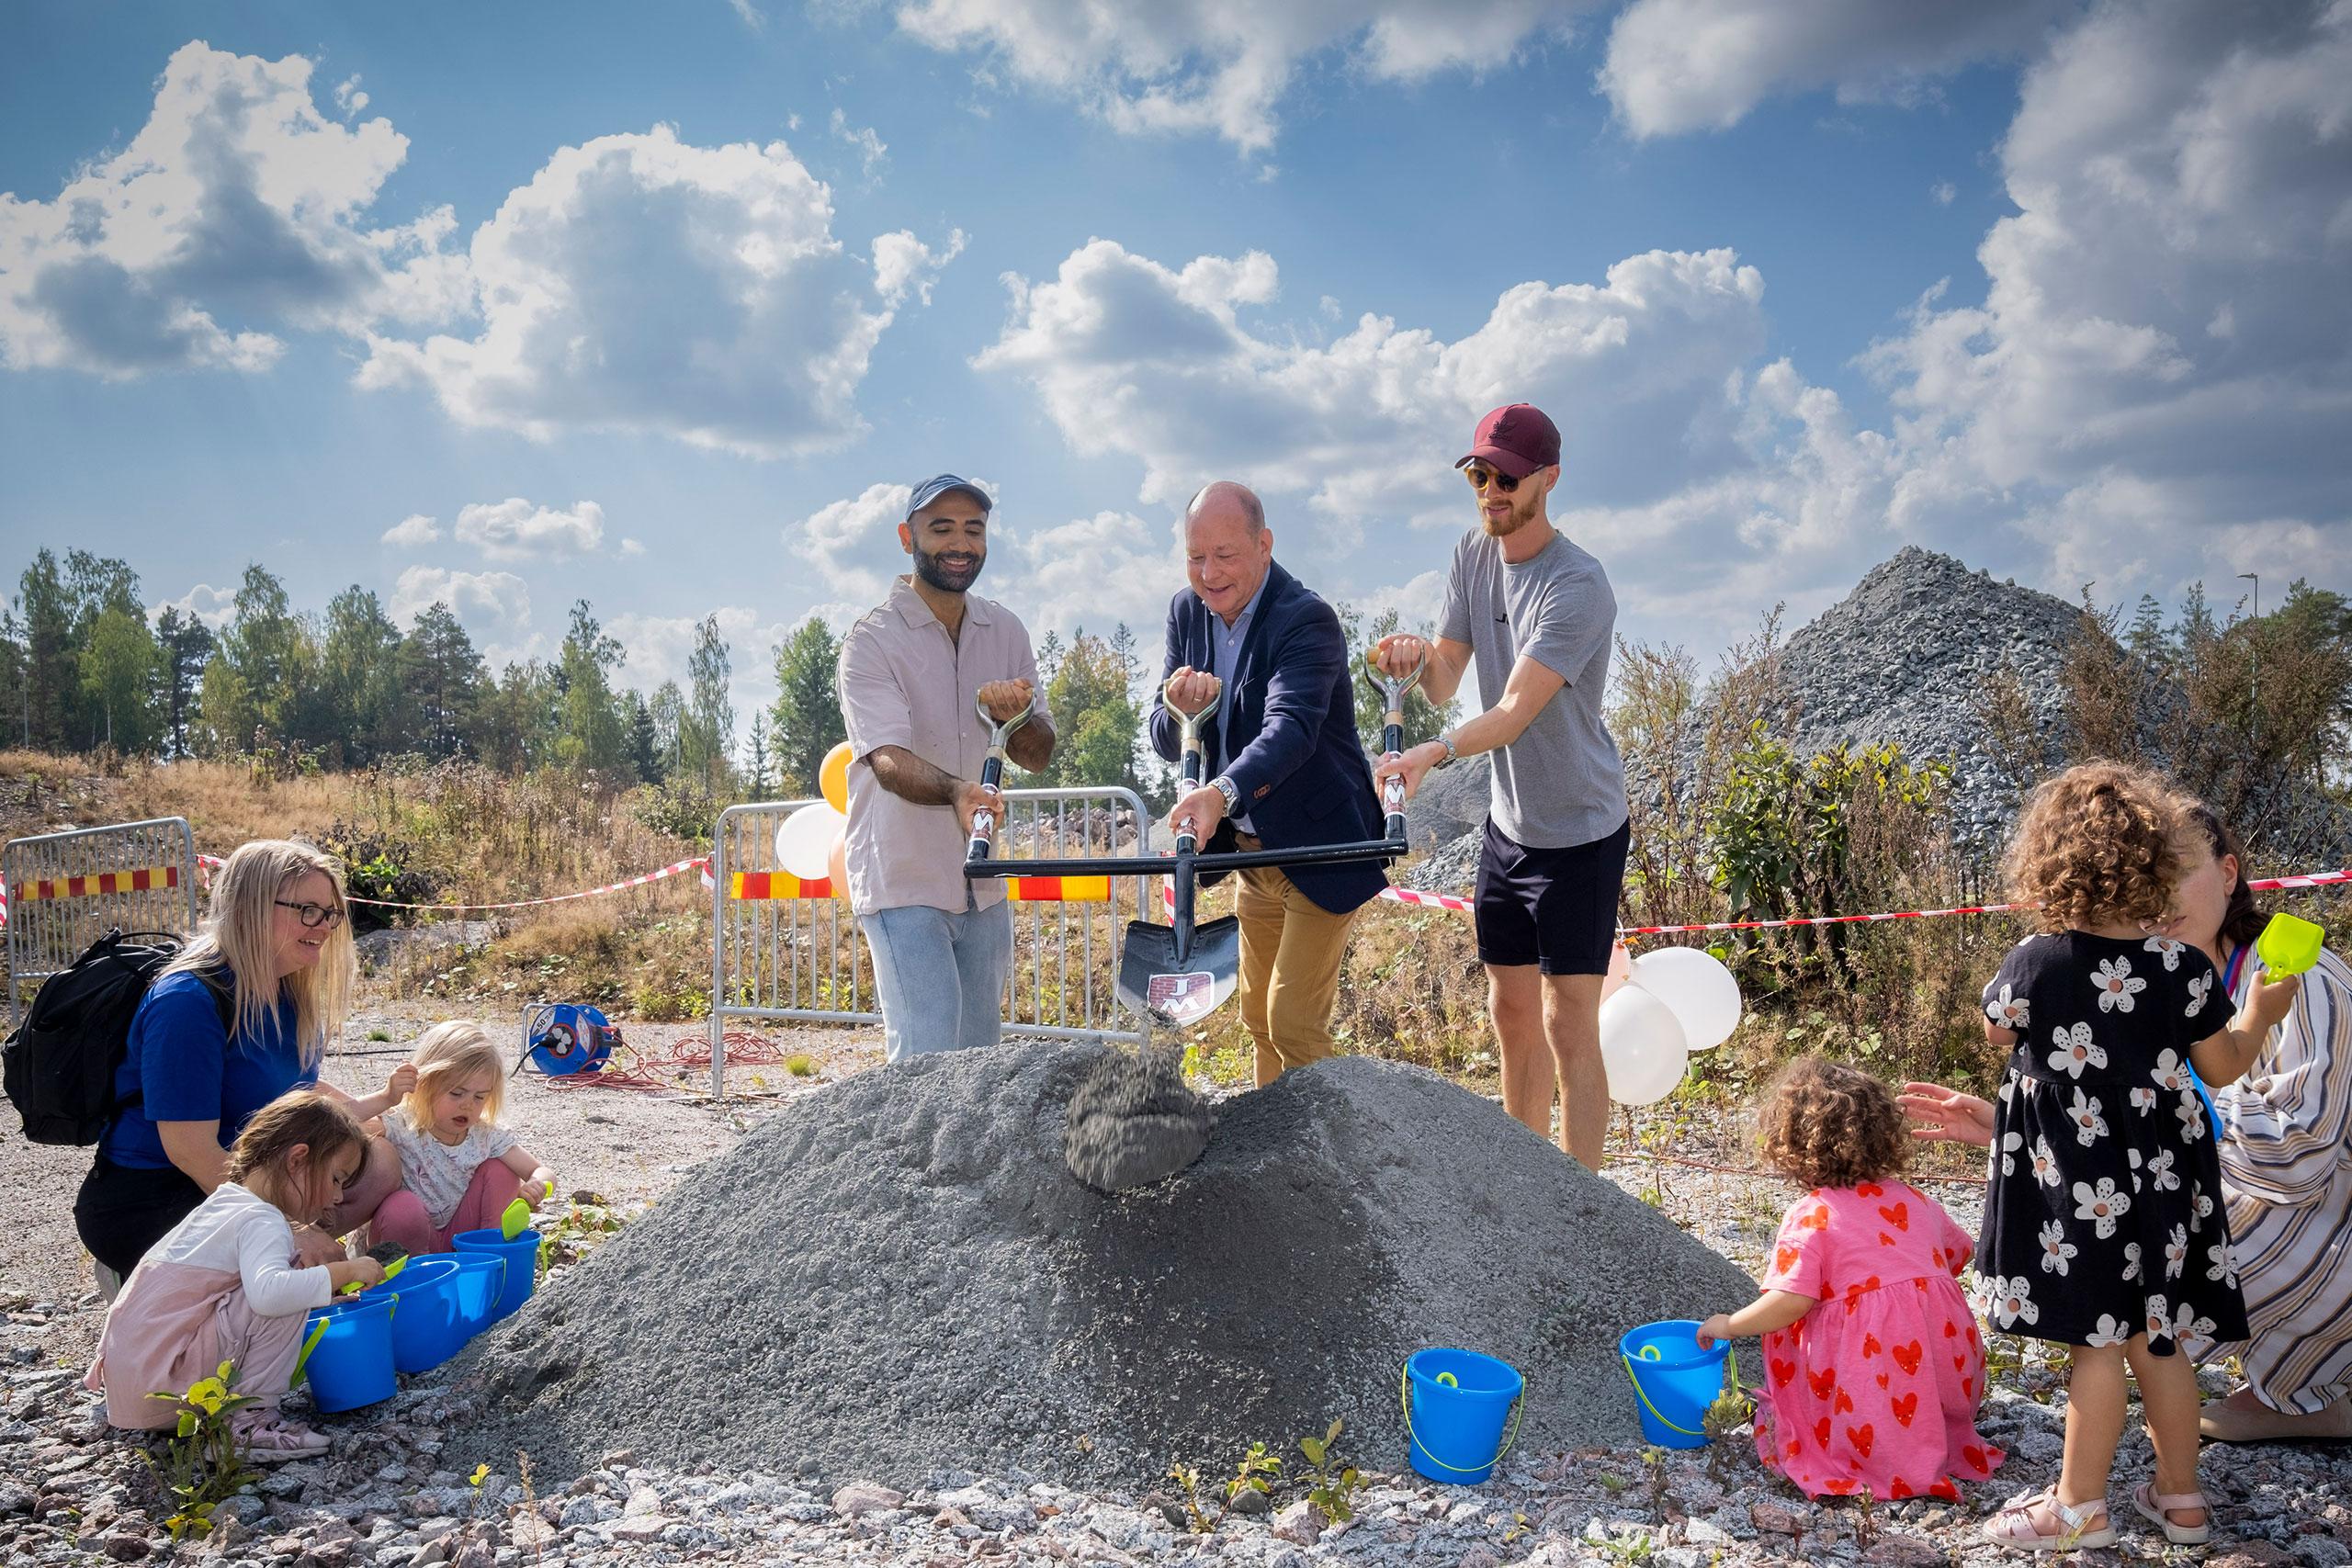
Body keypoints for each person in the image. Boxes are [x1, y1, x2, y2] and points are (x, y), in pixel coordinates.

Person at [1903, 801, 2352, 1447]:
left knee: (2131, 1298)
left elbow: (2299, 1156)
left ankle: (2086, 1495)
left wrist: (2150, 1114)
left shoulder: (2292, 978)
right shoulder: (2170, 974)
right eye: (2148, 872)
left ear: (2230, 874)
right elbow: (2135, 1102)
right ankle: (2287, 1409)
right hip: (2289, 1207)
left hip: (2326, 1218)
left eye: (2177, 869)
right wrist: (2018, 1125)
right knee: (2145, 1292)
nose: (2161, 893)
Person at [1964, 763, 2296, 1551]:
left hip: (2076, 1189)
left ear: (2050, 864)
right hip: (2163, 1185)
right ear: (2158, 864)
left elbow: (1998, 1031)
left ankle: (2078, 1507)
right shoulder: (2181, 968)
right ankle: (2182, 1500)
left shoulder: (2037, 960)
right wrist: (2258, 1009)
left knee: (2097, 1342)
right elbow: (2221, 1067)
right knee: (2163, 1334)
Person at [1372, 404, 1630, 1168]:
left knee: (1567, 1022)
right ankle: (1529, 1187)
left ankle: (1582, 1203)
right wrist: (1414, 659)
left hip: (1580, 829)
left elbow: (1513, 712)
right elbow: (1448, 678)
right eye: (1478, 474)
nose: (1489, 491)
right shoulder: (1470, 556)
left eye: (1506, 478)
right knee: (1511, 1010)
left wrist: (1433, 751)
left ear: (1548, 480)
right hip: (1509, 827)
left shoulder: (1578, 583)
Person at [74, 840, 407, 1292]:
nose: (325, 926)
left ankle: (280, 1279)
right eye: (308, 910)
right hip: (156, 1191)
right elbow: (190, 1150)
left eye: (329, 912)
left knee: (380, 1157)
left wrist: (380, 1113)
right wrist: (288, 1228)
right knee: (281, 1262)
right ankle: (159, 1276)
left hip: (247, 1173)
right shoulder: (187, 1002)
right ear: (251, 906)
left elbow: (293, 1089)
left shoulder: (285, 992)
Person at [1148, 481, 1386, 1085]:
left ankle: (1347, 1167)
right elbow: (1164, 733)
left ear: (1264, 545)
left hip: (1320, 844)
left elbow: (1291, 732)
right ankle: (1278, 1170)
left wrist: (1219, 793)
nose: (1208, 572)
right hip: (1256, 855)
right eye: (1196, 556)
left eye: (1225, 555)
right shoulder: (1185, 612)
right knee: (1257, 1017)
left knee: (1293, 1024)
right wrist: (1179, 710)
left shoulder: (1306, 619)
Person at [1693, 1059, 2000, 1501]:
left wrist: (1729, 1324)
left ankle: (1874, 1453)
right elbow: (1956, 1255)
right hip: (1947, 1373)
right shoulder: (1915, 1200)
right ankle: (1929, 1440)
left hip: (1872, 1382)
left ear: (1791, 1145)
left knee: (1834, 1339)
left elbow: (1789, 1302)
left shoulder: (1813, 1214)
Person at [836, 474, 1056, 1064]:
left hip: (981, 885)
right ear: (908, 536)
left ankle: (963, 1162)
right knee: (925, 1058)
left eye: (973, 530)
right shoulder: (871, 641)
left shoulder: (1005, 630)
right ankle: (903, 1159)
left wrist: (1020, 717)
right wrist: (959, 792)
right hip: (903, 876)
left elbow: (1035, 753)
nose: (960, 543)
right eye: (942, 529)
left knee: (978, 1060)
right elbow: (885, 760)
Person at [85, 1090, 387, 1459]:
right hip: (166, 1379)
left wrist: (314, 1297)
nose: (338, 1197)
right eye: (337, 1178)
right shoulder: (263, 1219)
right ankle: (248, 1425)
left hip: (138, 1383)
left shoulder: (227, 1202)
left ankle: (234, 1417)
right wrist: (347, 1269)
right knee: (285, 1282)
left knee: (287, 1285)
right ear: (298, 1159)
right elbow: (270, 1296)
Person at [366, 1021, 555, 1257]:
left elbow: (541, 1171)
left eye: (479, 1097)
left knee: (502, 1172)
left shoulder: (484, 1134)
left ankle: (491, 1258)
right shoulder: (403, 1123)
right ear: (424, 1083)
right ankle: (412, 1283)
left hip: (464, 1240)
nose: (467, 1104)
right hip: (408, 1241)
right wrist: (385, 1097)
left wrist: (537, 1186)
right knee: (402, 1207)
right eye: (457, 1093)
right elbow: (344, 1125)